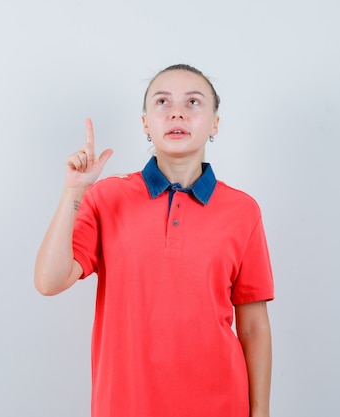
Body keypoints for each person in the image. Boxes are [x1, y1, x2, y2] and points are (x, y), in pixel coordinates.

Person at [34, 64, 274, 417]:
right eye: (163, 101)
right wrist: (74, 191)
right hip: (125, 405)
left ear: (215, 124)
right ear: (146, 123)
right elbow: (49, 281)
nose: (177, 111)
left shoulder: (243, 211)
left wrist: (261, 412)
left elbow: (253, 327)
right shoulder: (107, 198)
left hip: (222, 405)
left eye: (193, 102)